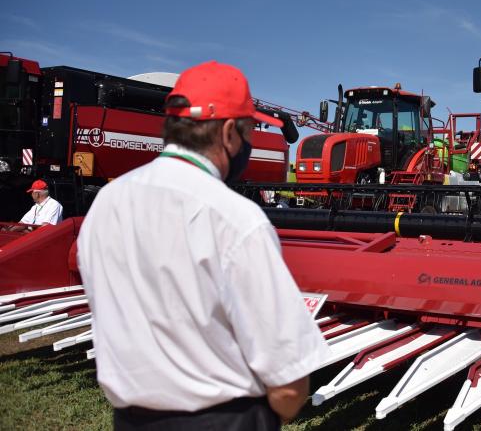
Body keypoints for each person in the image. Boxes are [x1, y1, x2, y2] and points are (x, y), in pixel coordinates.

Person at [78, 61, 331, 430]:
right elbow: (289, 383)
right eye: (250, 130)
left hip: (130, 420)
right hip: (224, 420)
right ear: (230, 133)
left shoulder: (106, 204)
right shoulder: (236, 219)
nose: (250, 141)